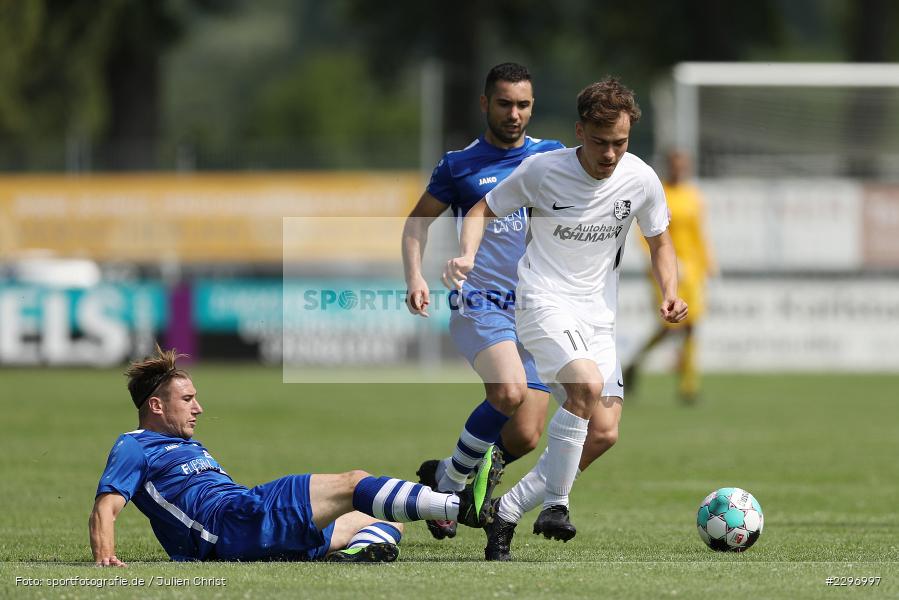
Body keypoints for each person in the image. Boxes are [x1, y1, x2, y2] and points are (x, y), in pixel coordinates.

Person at [442, 78, 688, 560]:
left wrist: (670, 292)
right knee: (585, 386)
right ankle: (556, 502)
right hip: (542, 301)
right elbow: (481, 208)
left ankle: (507, 511)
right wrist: (467, 255)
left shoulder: (640, 178)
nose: (611, 154)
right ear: (580, 132)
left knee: (604, 433)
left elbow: (660, 240)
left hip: (598, 316)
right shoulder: (543, 171)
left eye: (620, 142)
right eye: (600, 143)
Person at [89, 346, 502, 566]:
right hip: (233, 523)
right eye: (188, 399)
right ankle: (461, 508)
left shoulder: (185, 446)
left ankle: (360, 551)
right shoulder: (134, 444)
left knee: (386, 515)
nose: (198, 407)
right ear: (156, 407)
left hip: (245, 528)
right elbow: (106, 508)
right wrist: (104, 557)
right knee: (356, 483)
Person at [402, 62, 564, 539]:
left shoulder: (552, 157)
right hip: (481, 302)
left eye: (524, 105)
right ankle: (450, 489)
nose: (514, 114)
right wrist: (416, 277)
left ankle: (445, 474)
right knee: (509, 392)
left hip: (537, 307)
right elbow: (416, 223)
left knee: (527, 434)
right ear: (484, 104)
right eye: (505, 103)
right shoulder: (459, 164)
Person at [624, 149, 717, 404]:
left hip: (693, 270)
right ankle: (634, 363)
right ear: (668, 166)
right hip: (666, 268)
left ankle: (688, 385)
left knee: (690, 325)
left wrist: (708, 261)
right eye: (675, 165)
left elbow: (699, 233)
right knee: (669, 325)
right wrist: (654, 260)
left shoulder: (693, 196)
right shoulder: (659, 193)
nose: (679, 170)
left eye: (683, 165)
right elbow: (645, 234)